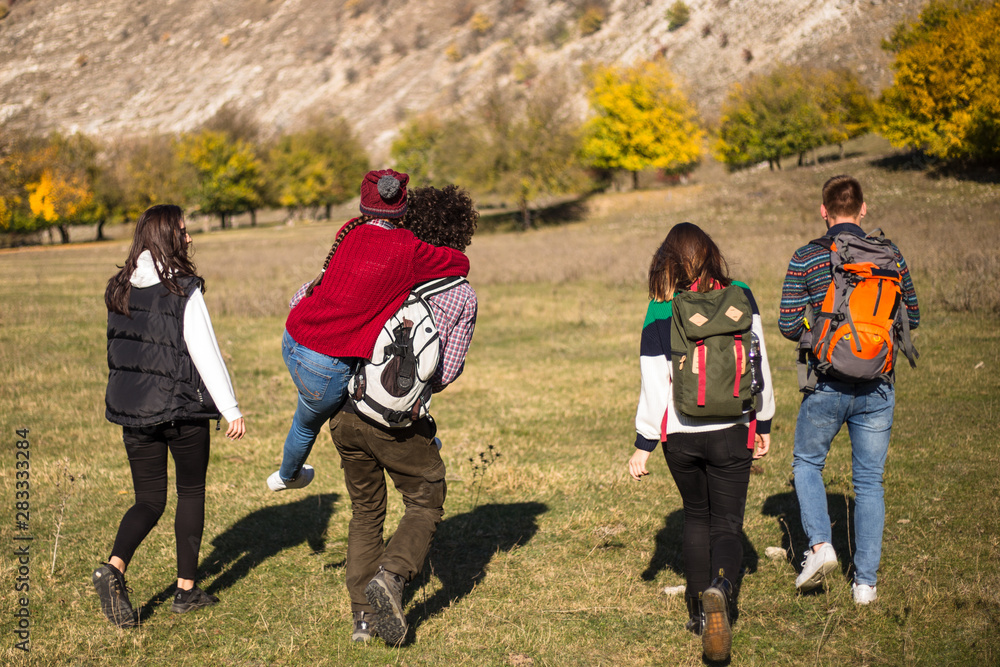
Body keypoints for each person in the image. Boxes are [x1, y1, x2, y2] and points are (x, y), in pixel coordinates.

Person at [330, 184, 479, 646]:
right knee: (427, 494)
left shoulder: (380, 266)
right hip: (397, 419)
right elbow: (445, 372)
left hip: (347, 409)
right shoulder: (462, 294)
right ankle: (391, 579)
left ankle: (362, 620)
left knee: (365, 510)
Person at [267, 169, 470, 492]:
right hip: (325, 363)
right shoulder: (408, 249)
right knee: (370, 395)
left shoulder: (349, 230)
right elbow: (457, 264)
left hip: (293, 338)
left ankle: (289, 473)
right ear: (402, 205)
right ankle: (287, 477)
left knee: (309, 417)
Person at [96, 204, 246, 628]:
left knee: (148, 500)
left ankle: (114, 569)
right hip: (181, 408)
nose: (190, 238)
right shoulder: (183, 289)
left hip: (133, 410)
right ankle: (186, 591)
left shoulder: (119, 287)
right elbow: (206, 351)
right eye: (183, 231)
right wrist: (229, 408)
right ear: (167, 237)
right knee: (191, 493)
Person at [630, 222, 774, 662]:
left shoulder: (659, 309)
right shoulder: (741, 294)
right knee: (727, 523)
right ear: (710, 254)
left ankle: (697, 614)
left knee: (695, 516)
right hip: (734, 428)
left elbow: (654, 383)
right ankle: (722, 589)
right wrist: (763, 421)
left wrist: (644, 442)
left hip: (682, 435)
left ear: (667, 261)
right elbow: (757, 359)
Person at [779, 175, 919, 605]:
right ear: (863, 209)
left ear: (823, 211)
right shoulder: (890, 254)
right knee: (870, 483)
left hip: (825, 384)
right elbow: (911, 315)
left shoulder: (806, 256)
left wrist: (815, 324)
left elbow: (787, 324)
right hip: (877, 384)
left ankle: (821, 546)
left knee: (806, 463)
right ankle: (865, 585)